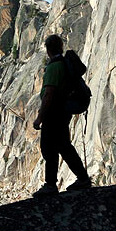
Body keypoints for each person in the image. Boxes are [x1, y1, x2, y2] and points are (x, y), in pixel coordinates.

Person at [32, 34, 91, 196]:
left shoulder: (54, 66)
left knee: (49, 148)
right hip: (63, 112)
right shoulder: (64, 64)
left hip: (53, 113)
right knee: (64, 146)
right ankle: (83, 178)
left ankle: (50, 185)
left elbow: (49, 94)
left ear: (48, 49)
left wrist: (39, 118)